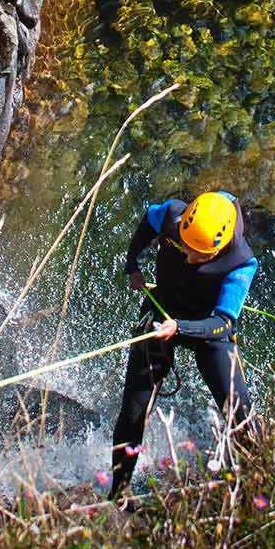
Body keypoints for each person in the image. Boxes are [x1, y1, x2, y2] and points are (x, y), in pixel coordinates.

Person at [107, 189, 257, 500]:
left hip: (206, 329)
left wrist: (180, 328)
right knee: (133, 412)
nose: (188, 258)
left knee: (241, 417)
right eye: (184, 247)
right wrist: (133, 264)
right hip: (162, 309)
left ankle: (254, 487)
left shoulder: (242, 263)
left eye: (197, 255)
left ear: (217, 250)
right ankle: (118, 494)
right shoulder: (172, 215)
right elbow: (148, 220)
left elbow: (224, 323)